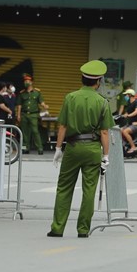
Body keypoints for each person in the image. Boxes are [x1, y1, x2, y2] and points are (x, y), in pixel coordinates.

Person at [48, 60, 114, 238]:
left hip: (73, 147)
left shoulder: (70, 97)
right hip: (92, 149)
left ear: (82, 79)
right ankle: (83, 229)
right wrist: (106, 155)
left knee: (64, 187)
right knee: (89, 189)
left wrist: (58, 148)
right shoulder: (102, 102)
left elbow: (62, 126)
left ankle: (57, 228)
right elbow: (105, 132)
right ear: (98, 82)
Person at [16, 74, 50, 155]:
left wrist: (45, 106)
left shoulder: (37, 92)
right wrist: (18, 115)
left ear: (31, 82)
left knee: (35, 131)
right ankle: (25, 148)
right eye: (25, 81)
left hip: (33, 115)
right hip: (24, 114)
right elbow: (19, 105)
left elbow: (41, 102)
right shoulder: (22, 93)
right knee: (24, 132)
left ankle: (40, 148)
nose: (26, 82)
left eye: (27, 81)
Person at [121, 89, 137, 154]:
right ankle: (124, 145)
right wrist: (121, 116)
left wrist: (129, 115)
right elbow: (127, 112)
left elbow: (136, 111)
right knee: (120, 130)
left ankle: (133, 147)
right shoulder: (129, 102)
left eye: (126, 95)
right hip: (130, 123)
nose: (126, 96)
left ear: (130, 95)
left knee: (125, 131)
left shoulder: (136, 102)